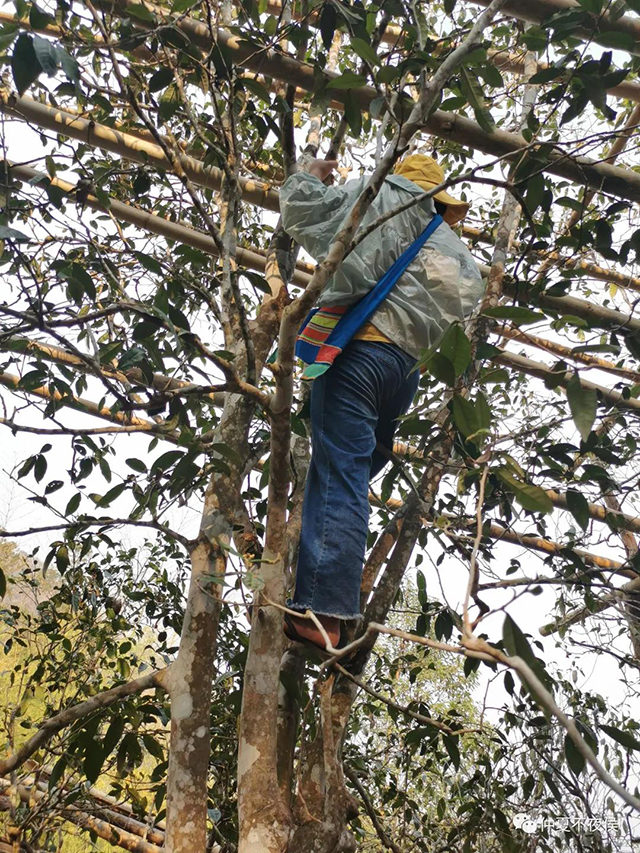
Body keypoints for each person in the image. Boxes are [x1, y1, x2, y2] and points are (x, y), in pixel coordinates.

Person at [279, 153, 484, 651]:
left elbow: (304, 212)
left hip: (361, 351)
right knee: (362, 460)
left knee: (340, 472)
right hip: (403, 370)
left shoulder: (384, 195)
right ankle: (330, 578)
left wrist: (307, 173)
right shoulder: (452, 249)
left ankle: (323, 611)